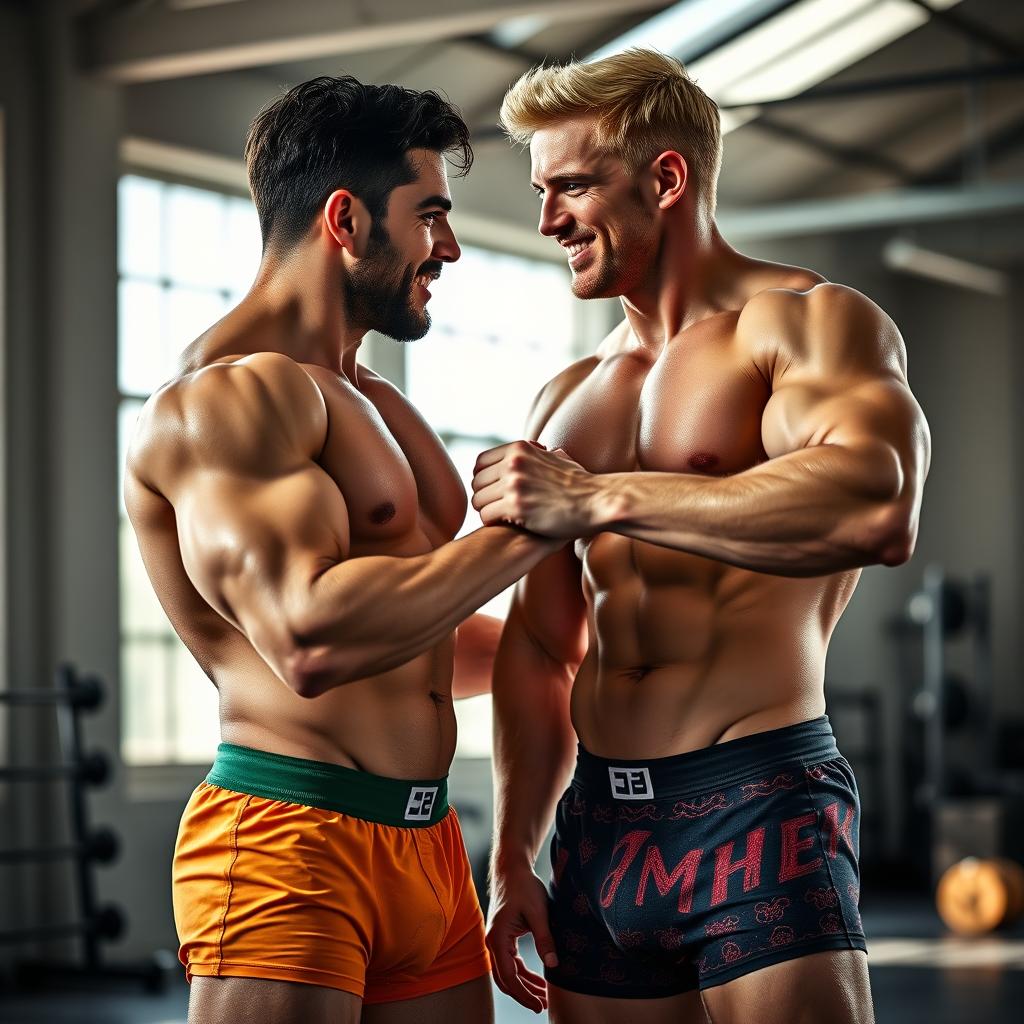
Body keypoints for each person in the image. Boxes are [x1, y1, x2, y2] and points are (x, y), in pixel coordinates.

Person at [476, 49, 930, 1024]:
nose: (548, 218)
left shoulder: (806, 326)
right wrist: (514, 848)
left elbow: (872, 503)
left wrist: (600, 498)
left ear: (666, 178)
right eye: (541, 190)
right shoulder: (565, 397)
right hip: (600, 828)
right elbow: (543, 644)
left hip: (756, 798)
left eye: (571, 186)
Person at [124, 76, 560, 1024]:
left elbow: (420, 637)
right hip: (291, 835)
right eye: (431, 216)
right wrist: (531, 530)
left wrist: (580, 651)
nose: (447, 248)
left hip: (427, 843)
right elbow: (309, 639)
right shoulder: (227, 401)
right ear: (346, 219)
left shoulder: (372, 399)